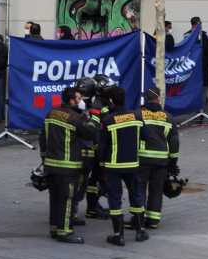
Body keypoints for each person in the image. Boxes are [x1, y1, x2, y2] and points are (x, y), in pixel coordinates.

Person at [40, 85, 97, 244]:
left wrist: (44, 157)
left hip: (51, 164)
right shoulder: (75, 118)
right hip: (68, 165)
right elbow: (91, 132)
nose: (81, 101)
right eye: (79, 99)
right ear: (72, 100)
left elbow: (42, 137)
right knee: (67, 198)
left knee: (55, 198)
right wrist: (88, 117)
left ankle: (54, 227)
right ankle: (65, 231)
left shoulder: (51, 113)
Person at [99, 84, 146, 246]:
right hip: (133, 164)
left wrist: (101, 164)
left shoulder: (107, 120)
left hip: (113, 166)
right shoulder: (137, 117)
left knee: (115, 199)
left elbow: (102, 146)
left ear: (111, 101)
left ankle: (118, 235)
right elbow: (144, 137)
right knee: (136, 195)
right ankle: (140, 231)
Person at [137, 86, 180, 230]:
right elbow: (174, 142)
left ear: (146, 98)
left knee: (140, 189)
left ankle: (138, 218)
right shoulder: (168, 117)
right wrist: (173, 162)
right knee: (156, 190)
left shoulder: (138, 115)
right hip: (162, 161)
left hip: (142, 159)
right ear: (158, 98)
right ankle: (153, 220)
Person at [71, 77, 105, 221]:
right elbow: (93, 129)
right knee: (80, 182)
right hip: (84, 151)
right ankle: (72, 213)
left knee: (86, 181)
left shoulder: (81, 104)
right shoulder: (89, 107)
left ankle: (90, 206)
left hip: (85, 150)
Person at [187, 17, 208, 92]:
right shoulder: (187, 39)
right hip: (191, 76)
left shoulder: (206, 41)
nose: (196, 27)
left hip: (203, 75)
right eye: (194, 25)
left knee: (202, 97)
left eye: (198, 25)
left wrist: (202, 63)